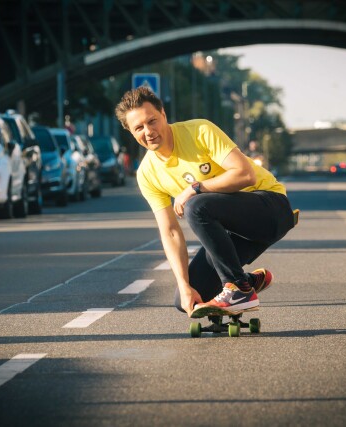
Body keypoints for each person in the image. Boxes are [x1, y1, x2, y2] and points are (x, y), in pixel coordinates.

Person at [115, 87, 295, 317]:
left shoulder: (199, 130)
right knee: (187, 298)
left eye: (152, 121)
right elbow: (170, 231)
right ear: (130, 131)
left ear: (163, 114)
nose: (148, 131)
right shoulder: (147, 173)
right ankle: (246, 281)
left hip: (270, 208)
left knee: (195, 206)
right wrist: (183, 284)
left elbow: (245, 174)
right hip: (235, 233)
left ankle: (238, 290)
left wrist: (195, 188)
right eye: (138, 127)